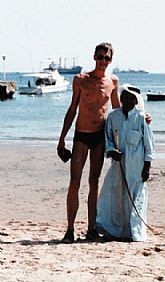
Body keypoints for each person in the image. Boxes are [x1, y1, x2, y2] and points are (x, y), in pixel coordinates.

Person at [57, 42, 119, 243]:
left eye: (106, 58)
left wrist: (142, 117)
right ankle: (69, 230)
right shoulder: (81, 80)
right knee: (74, 182)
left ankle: (91, 228)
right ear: (94, 57)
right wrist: (61, 139)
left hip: (100, 137)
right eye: (100, 57)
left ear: (111, 60)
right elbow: (72, 109)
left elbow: (119, 112)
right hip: (82, 136)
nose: (103, 61)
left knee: (94, 182)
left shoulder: (113, 82)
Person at [96, 84, 155, 242]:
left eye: (131, 98)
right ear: (121, 99)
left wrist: (147, 167)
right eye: (125, 97)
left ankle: (135, 232)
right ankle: (116, 230)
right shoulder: (113, 117)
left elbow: (149, 146)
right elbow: (108, 138)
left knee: (136, 199)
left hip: (137, 168)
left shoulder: (142, 119)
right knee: (115, 197)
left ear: (136, 101)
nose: (128, 100)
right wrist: (111, 151)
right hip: (118, 166)